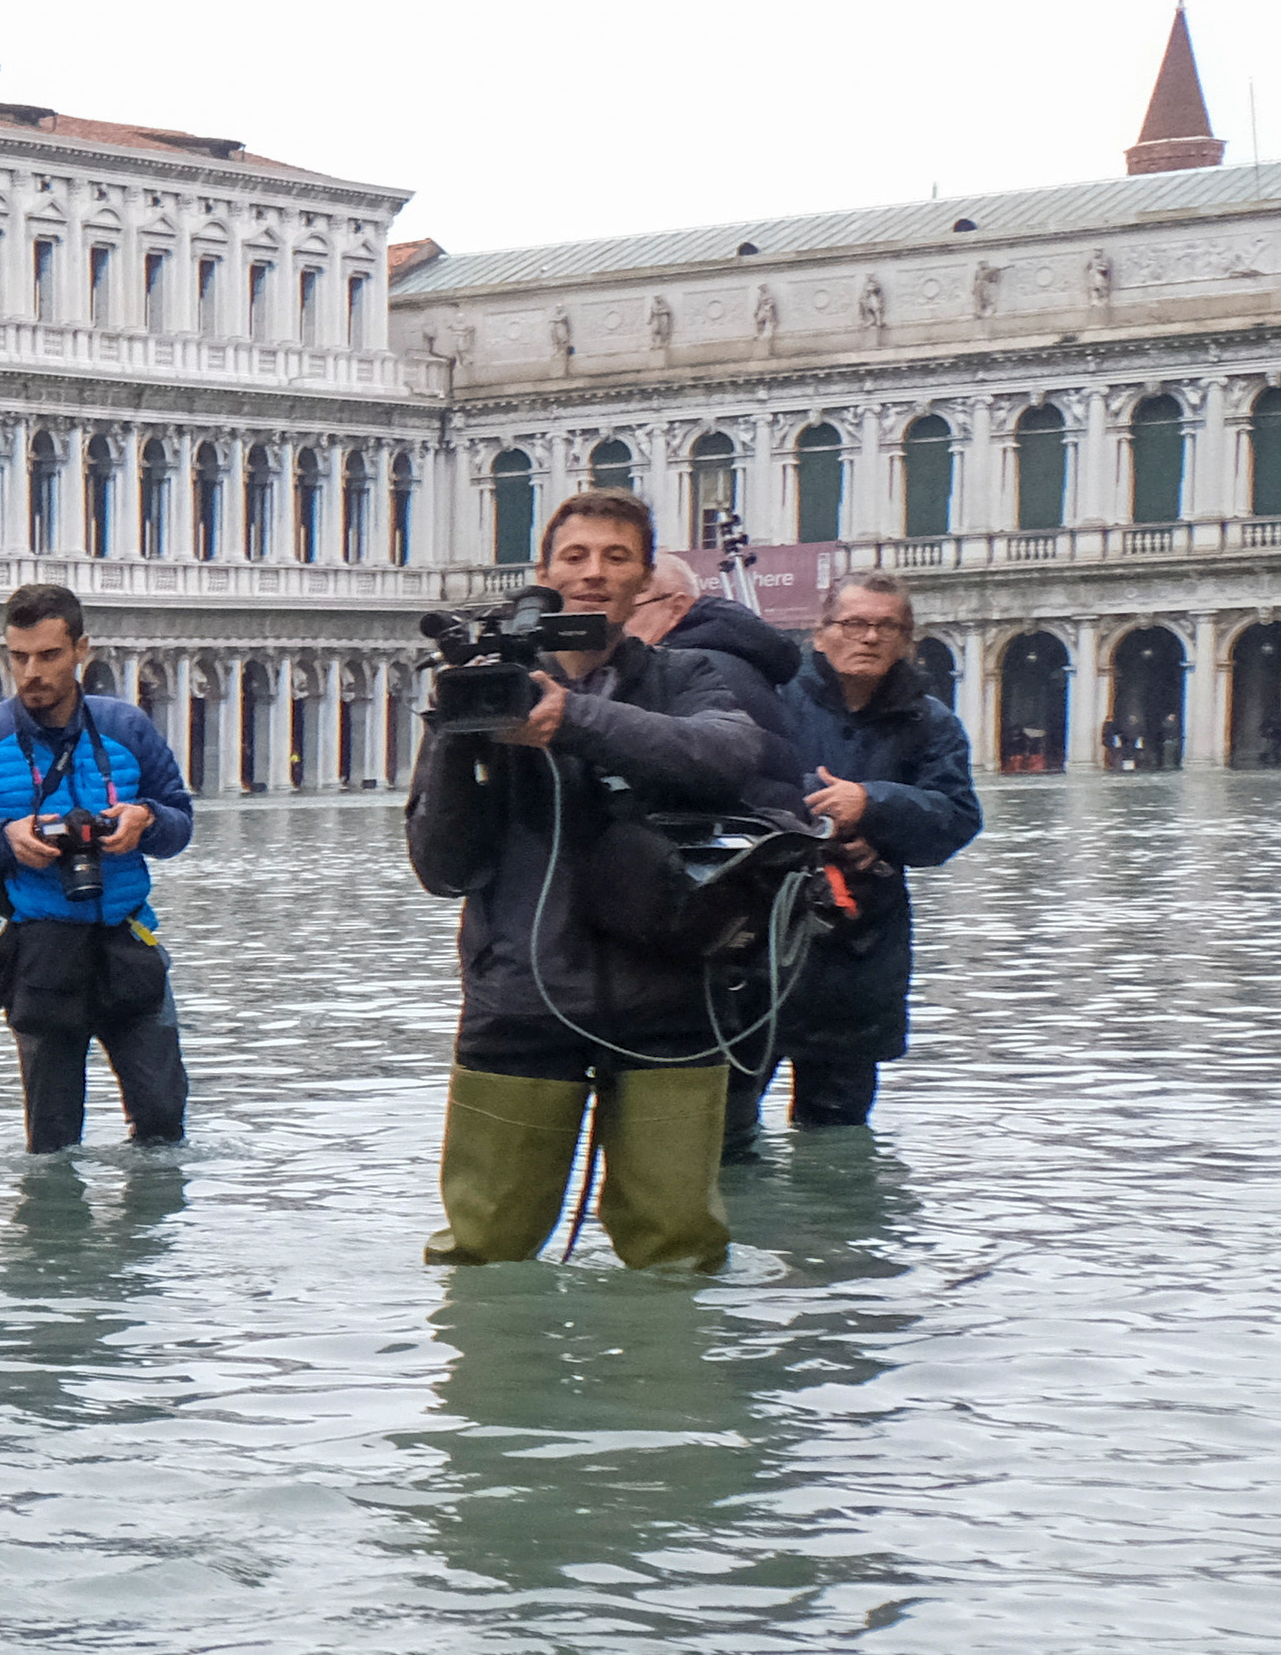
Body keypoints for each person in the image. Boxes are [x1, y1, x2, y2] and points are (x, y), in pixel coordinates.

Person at [406, 487, 796, 1269]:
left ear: (644, 579)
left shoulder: (687, 676)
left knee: (678, 1249)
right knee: (483, 1249)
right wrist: (460, 734)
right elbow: (442, 866)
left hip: (672, 1002)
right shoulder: (490, 684)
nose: (594, 574)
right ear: (544, 574)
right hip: (517, 1002)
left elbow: (728, 757)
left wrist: (571, 721)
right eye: (575, 557)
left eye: (617, 558)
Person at [0, 581, 193, 1151]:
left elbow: (180, 826)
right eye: (18, 657)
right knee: (52, 1136)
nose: (31, 672)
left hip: (130, 944)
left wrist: (146, 820)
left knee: (164, 1121)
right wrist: (4, 838)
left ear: (82, 649)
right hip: (41, 953)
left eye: (48, 655)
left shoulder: (128, 728)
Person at [753, 571, 980, 1137]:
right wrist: (819, 815)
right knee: (725, 1131)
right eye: (855, 623)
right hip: (757, 946)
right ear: (821, 633)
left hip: (860, 952)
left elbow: (956, 821)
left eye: (888, 626)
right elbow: (731, 780)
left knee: (837, 1135)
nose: (871, 637)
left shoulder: (933, 723)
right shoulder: (768, 700)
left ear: (907, 641)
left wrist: (871, 805)